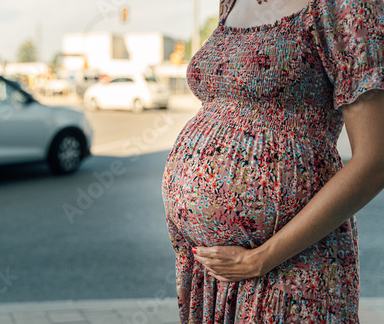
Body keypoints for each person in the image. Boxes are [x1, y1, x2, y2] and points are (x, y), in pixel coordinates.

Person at [161, 0, 384, 322]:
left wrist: (260, 259)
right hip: (212, 270)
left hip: (288, 260)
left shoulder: (347, 6)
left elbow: (375, 161)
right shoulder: (233, 2)